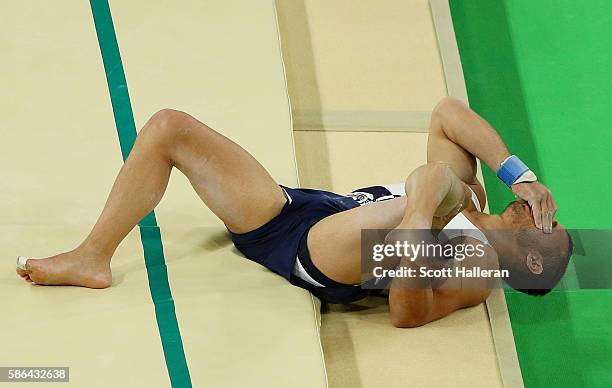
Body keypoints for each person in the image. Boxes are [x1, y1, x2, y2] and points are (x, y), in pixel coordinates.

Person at [15, 97, 572, 327]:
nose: (544, 211)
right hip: (300, 211)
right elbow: (448, 112)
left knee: (431, 189)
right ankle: (92, 258)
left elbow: (409, 314)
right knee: (169, 127)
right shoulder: (475, 194)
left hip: (326, 258)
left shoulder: (475, 276)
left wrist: (418, 229)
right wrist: (517, 174)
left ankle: (417, 213)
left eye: (550, 225)